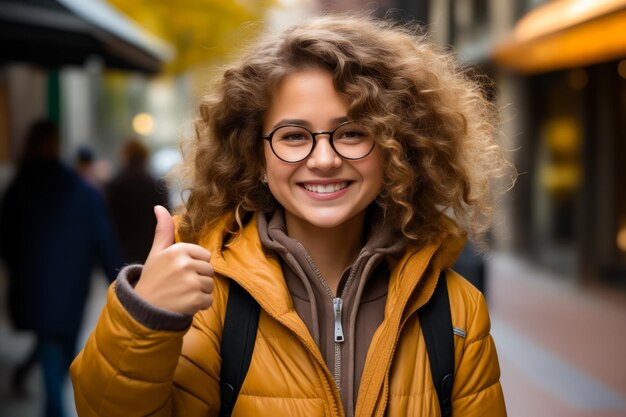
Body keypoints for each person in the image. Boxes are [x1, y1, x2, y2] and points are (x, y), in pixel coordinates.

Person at [70, 15, 514, 417]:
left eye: (353, 133)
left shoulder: (456, 309)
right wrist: (146, 316)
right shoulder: (209, 296)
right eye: (294, 135)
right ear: (256, 156)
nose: (323, 159)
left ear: (395, 150)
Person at [0, 119, 123, 417]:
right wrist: (120, 285)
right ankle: (54, 409)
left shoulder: (19, 189)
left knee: (51, 348)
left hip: (35, 287)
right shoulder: (82, 191)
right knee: (59, 351)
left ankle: (44, 396)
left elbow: (5, 241)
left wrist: (21, 268)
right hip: (71, 288)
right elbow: (104, 241)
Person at [106, 138, 170, 264]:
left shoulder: (114, 185)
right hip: (149, 250)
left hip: (122, 250)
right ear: (145, 156)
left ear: (126, 156)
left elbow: (109, 220)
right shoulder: (156, 185)